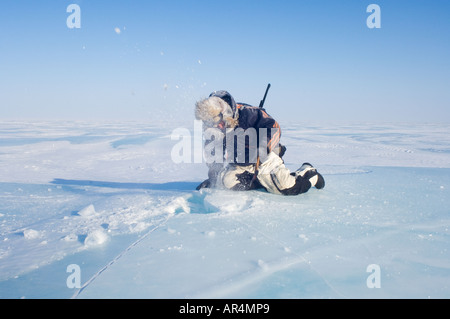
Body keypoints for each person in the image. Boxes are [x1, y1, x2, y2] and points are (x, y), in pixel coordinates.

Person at [195, 90, 324, 195]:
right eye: (215, 125)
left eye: (221, 122)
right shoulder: (214, 131)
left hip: (264, 157)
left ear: (226, 113)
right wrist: (213, 180)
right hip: (241, 162)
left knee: (285, 186)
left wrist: (262, 148)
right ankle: (260, 180)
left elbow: (274, 128)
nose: (220, 127)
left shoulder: (249, 113)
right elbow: (214, 157)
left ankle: (309, 173)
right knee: (227, 182)